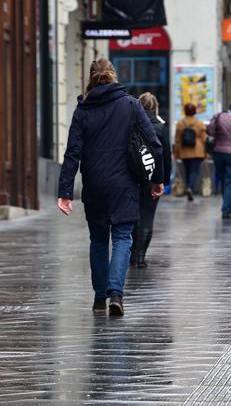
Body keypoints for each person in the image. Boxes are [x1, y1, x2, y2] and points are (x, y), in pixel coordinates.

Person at [57, 59, 164, 316]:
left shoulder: (82, 110)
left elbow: (72, 153)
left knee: (98, 240)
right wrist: (156, 179)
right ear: (114, 76)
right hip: (124, 183)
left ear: (91, 78)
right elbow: (154, 143)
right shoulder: (131, 105)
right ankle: (116, 293)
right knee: (122, 238)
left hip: (94, 184)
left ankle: (98, 298)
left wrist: (65, 192)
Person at [130, 93, 171, 269]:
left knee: (132, 216)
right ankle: (140, 257)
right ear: (155, 108)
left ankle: (132, 252)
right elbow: (165, 155)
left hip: (131, 176)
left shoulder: (131, 124)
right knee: (147, 217)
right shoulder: (160, 128)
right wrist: (163, 179)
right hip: (152, 177)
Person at [174, 103, 207, 201]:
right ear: (195, 112)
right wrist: (205, 152)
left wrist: (176, 154)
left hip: (184, 151)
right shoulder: (199, 123)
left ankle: (189, 187)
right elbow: (204, 138)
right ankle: (190, 188)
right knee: (194, 170)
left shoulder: (180, 123)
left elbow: (177, 139)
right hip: (198, 151)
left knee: (187, 171)